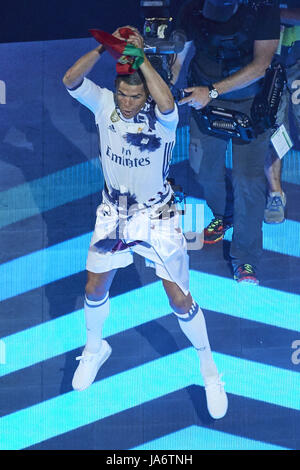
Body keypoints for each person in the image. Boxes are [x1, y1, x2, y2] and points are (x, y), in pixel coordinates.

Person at [63, 26, 228, 419]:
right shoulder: (104, 104)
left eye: (136, 95)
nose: (128, 101)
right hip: (114, 212)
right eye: (123, 93)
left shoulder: (163, 119)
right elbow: (70, 80)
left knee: (179, 299)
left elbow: (167, 99)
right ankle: (94, 348)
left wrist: (139, 59)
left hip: (159, 215)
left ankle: (209, 370)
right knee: (94, 285)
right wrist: (107, 48)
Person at [172, 0, 280, 284]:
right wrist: (167, 84)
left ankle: (245, 259)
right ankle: (223, 213)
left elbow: (261, 65)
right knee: (204, 169)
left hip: (250, 101)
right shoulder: (193, 5)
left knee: (248, 180)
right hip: (202, 95)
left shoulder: (262, 7)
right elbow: (179, 52)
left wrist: (213, 91)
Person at [264, 2, 300, 224]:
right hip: (266, 62)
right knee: (273, 130)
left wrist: (270, 14)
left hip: (298, 60)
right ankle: (275, 194)